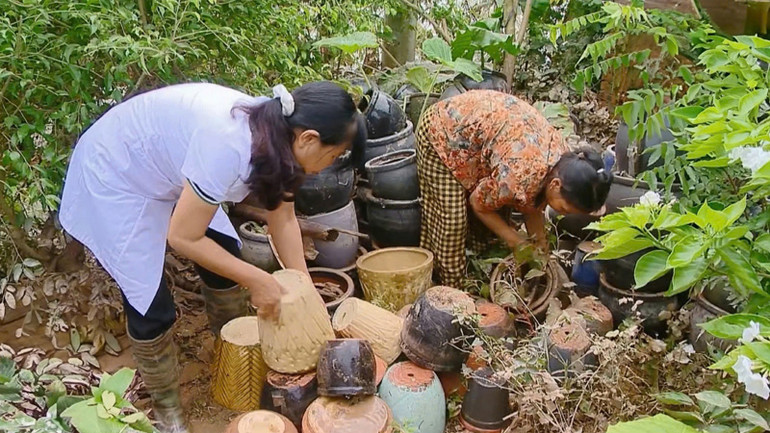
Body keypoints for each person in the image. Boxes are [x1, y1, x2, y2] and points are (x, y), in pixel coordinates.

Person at [58, 81, 366, 433]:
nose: (326, 167)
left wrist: (303, 288)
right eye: (331, 156)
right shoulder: (228, 143)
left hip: (169, 169)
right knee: (149, 302)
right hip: (119, 171)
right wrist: (257, 279)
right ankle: (167, 411)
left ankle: (232, 353)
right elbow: (183, 236)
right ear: (309, 139)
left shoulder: (281, 135)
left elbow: (282, 218)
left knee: (226, 255)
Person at [416, 89, 612, 288]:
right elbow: (478, 203)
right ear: (556, 185)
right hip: (442, 132)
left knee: (495, 218)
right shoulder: (518, 176)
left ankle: (476, 270)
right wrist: (515, 240)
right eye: (564, 208)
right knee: (453, 221)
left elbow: (534, 204)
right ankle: (453, 290)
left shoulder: (567, 165)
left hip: (479, 136)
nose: (562, 212)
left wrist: (540, 245)